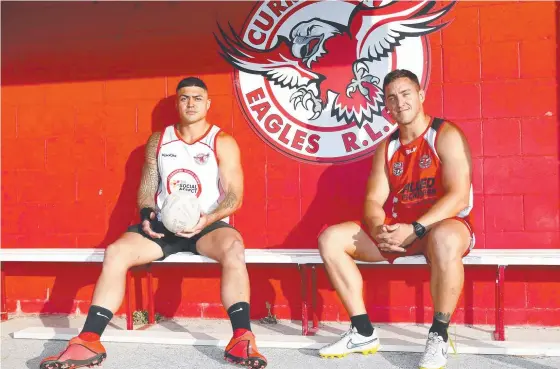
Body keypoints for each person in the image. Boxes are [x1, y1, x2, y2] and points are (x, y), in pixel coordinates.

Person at [40, 77, 267, 369]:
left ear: (208, 103)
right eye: (185, 98)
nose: (191, 103)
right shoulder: (159, 140)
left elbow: (235, 196)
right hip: (163, 226)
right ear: (177, 103)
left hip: (207, 225)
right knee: (116, 253)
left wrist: (208, 218)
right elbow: (148, 186)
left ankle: (241, 337)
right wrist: (146, 214)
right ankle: (89, 340)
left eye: (198, 98)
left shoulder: (221, 141)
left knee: (234, 248)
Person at [317, 69, 474, 369]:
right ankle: (362, 331)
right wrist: (379, 230)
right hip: (402, 232)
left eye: (405, 94)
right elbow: (373, 200)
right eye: (391, 98)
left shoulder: (445, 134)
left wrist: (416, 228)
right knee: (331, 239)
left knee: (443, 239)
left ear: (420, 95)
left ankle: (439, 335)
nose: (399, 102)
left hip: (441, 228)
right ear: (386, 107)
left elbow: (459, 198)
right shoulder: (387, 147)